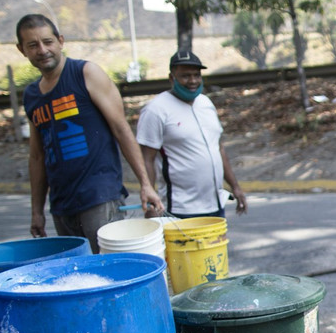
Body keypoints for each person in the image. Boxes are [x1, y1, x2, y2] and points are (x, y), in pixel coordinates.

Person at [16, 14, 163, 252]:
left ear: (60, 41)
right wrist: (37, 212)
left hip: (99, 197)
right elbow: (37, 156)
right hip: (61, 205)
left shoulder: (85, 73)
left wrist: (146, 184)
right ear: (22, 50)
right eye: (33, 45)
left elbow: (121, 129)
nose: (42, 50)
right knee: (81, 279)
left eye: (48, 41)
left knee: (109, 271)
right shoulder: (31, 96)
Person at [136, 50, 247, 218]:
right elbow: (147, 159)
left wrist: (235, 187)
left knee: (217, 245)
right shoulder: (156, 110)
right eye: (185, 76)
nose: (193, 81)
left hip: (215, 204)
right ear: (172, 78)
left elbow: (218, 148)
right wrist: (151, 201)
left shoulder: (206, 104)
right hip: (180, 208)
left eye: (197, 75)